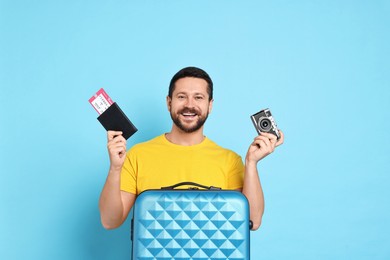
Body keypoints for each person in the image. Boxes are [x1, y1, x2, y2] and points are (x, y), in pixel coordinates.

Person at [99, 66, 284, 231]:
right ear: (169, 102)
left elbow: (252, 221)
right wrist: (115, 168)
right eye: (181, 97)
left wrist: (251, 163)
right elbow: (110, 221)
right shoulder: (138, 155)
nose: (189, 105)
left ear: (210, 105)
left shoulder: (230, 160)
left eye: (198, 97)